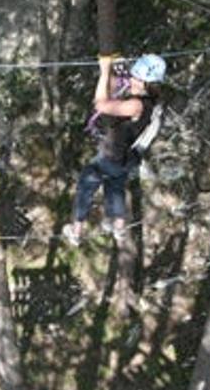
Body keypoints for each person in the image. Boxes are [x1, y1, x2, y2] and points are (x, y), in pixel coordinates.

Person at [63, 53, 166, 246]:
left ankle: (76, 230)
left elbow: (101, 104)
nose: (132, 80)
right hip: (125, 157)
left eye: (136, 77)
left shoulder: (137, 105)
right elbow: (111, 92)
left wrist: (103, 71)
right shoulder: (147, 102)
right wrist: (111, 71)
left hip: (111, 155)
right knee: (115, 185)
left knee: (86, 185)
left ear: (147, 83)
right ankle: (117, 226)